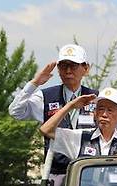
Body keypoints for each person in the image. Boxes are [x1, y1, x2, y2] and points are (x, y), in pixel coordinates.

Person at [9, 44, 97, 175]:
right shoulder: (46, 96)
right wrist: (34, 83)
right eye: (63, 66)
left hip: (89, 170)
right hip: (56, 172)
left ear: (85, 68)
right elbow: (15, 112)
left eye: (73, 66)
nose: (68, 71)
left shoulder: (96, 98)